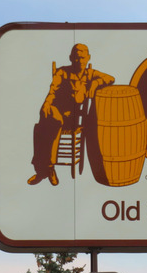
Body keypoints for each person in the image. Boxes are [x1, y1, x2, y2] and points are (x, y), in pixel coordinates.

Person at [27, 43, 115, 186]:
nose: (79, 61)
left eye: (82, 58)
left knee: (44, 127)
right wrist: (46, 105)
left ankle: (44, 170)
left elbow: (111, 78)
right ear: (70, 58)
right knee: (46, 123)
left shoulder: (90, 74)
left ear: (88, 58)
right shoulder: (62, 72)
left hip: (74, 118)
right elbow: (52, 91)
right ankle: (48, 168)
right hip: (56, 112)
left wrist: (95, 83)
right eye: (76, 57)